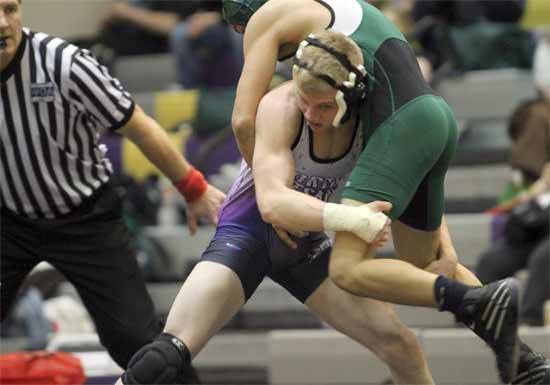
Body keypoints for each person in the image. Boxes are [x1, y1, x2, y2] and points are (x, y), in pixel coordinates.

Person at [221, 0, 550, 383]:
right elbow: (411, 106)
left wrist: (275, 190)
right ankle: (527, 363)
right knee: (426, 264)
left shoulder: (270, 19)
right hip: (433, 119)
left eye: (241, 31)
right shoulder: (350, 19)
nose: (246, 39)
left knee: (346, 269)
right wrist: (438, 228)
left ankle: (477, 300)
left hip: (401, 129)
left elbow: (243, 118)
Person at [115, 31, 439, 385]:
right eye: (305, 100)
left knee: (401, 346)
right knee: (165, 356)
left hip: (305, 245)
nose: (312, 115)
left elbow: (423, 182)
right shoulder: (280, 106)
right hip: (248, 234)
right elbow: (272, 205)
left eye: (325, 106)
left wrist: (445, 246)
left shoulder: (374, 121)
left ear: (354, 95)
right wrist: (354, 218)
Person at [0, 0, 225, 381]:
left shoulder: (64, 64)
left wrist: (192, 187)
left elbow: (139, 127)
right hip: (9, 222)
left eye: (9, 8)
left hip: (85, 219)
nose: (2, 23)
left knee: (133, 339)